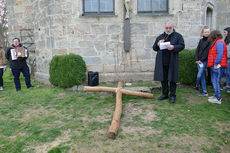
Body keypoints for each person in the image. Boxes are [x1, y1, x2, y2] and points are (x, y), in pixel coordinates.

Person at [153, 21, 185, 103]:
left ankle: (172, 96)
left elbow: (182, 46)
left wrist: (173, 47)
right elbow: (154, 48)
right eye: (166, 28)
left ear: (173, 27)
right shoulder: (160, 36)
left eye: (169, 28)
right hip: (162, 61)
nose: (168, 29)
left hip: (172, 61)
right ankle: (165, 94)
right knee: (163, 79)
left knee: (172, 79)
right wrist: (158, 44)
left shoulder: (178, 36)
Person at [207, 30, 227, 104]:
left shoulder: (219, 42)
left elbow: (220, 54)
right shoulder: (218, 42)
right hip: (216, 65)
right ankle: (216, 96)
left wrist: (216, 63)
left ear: (213, 35)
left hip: (218, 66)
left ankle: (218, 98)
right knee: (214, 81)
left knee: (216, 82)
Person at [195, 26, 211, 96]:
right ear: (202, 33)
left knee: (199, 75)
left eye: (207, 32)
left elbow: (206, 52)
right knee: (201, 76)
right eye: (205, 32)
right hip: (198, 61)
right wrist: (196, 59)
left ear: (209, 32)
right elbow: (197, 50)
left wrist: (201, 60)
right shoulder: (201, 40)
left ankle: (197, 85)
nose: (206, 33)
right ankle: (205, 91)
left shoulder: (210, 41)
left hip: (204, 61)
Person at [223, 27, 230, 93]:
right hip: (226, 59)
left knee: (229, 73)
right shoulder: (226, 40)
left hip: (229, 59)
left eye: (225, 32)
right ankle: (228, 85)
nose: (224, 33)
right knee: (227, 73)